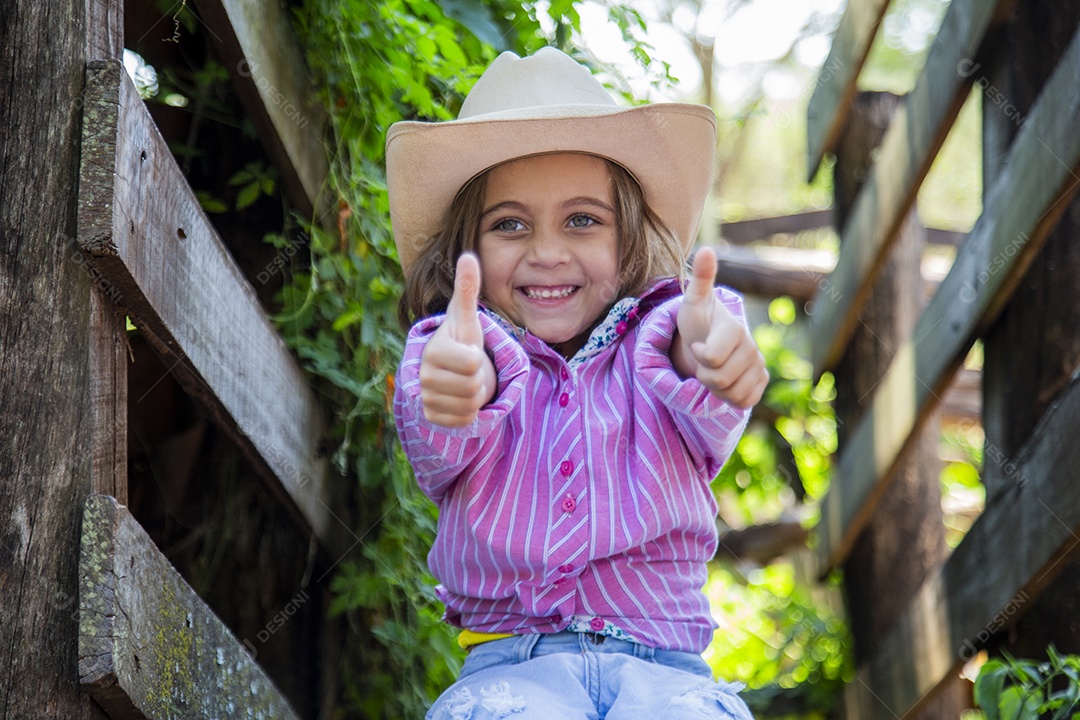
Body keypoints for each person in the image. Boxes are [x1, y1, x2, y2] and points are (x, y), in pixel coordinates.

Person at [388, 46, 768, 720]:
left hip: (667, 673)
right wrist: (455, 386)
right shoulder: (466, 347)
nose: (546, 251)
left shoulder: (668, 335)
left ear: (627, 243)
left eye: (582, 220)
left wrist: (710, 348)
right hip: (513, 669)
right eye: (509, 224)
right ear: (464, 250)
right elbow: (447, 400)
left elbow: (689, 349)